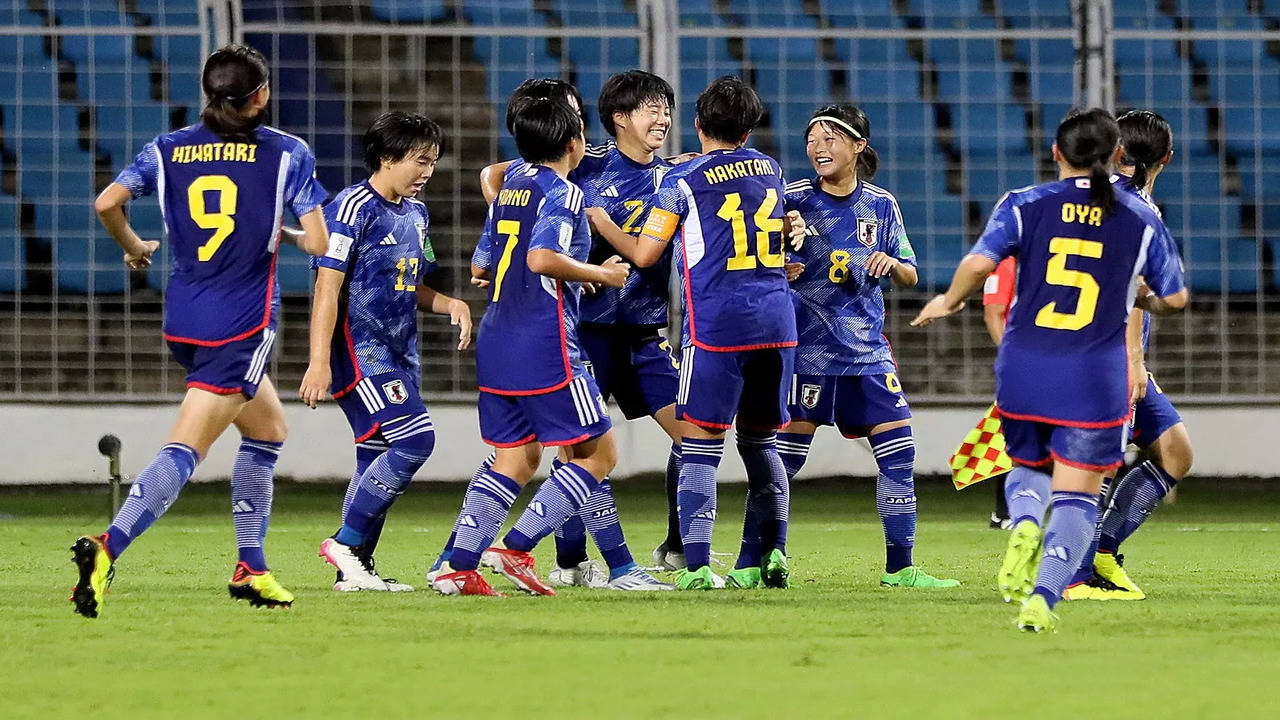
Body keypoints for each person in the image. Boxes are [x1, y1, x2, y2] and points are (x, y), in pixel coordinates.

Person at [71, 44, 329, 618]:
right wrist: (282, 233)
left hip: (184, 318)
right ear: (260, 95)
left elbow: (107, 202)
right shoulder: (287, 153)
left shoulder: (168, 149)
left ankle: (251, 567)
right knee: (188, 446)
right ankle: (107, 548)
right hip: (240, 325)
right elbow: (318, 242)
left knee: (268, 429)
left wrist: (135, 248)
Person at [911, 108, 1187, 632]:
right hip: (1095, 371)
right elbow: (1174, 297)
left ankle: (1024, 522)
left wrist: (948, 301)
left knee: (1028, 469)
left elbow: (978, 265)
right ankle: (1046, 595)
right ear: (1115, 157)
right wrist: (1136, 302)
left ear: (1056, 153)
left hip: (1026, 364)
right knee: (1079, 494)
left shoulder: (1023, 204)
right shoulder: (1137, 216)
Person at [430, 78, 669, 591]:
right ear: (573, 144)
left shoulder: (513, 187)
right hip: (546, 341)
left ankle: (457, 566)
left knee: (516, 458)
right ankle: (515, 549)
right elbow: (540, 258)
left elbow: (481, 264)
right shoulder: (564, 193)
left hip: (498, 337)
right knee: (598, 455)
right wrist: (600, 274)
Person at [590, 75, 805, 591]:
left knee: (700, 448)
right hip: (778, 323)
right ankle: (769, 555)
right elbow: (771, 226)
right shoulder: (771, 171)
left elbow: (643, 255)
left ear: (697, 123)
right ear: (749, 132)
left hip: (717, 328)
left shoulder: (679, 181)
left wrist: (602, 223)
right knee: (762, 445)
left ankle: (696, 565)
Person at [753, 103, 958, 589]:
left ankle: (901, 567)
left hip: (866, 354)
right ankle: (767, 556)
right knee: (782, 463)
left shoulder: (882, 205)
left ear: (858, 147)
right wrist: (776, 268)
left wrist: (891, 262)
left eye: (829, 139)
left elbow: (911, 270)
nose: (818, 148)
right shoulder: (791, 199)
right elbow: (752, 257)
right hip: (805, 354)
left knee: (899, 454)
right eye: (812, 139)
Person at [297, 111, 472, 592]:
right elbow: (326, 289)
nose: (427, 172)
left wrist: (449, 302)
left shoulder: (417, 214)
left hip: (400, 352)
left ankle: (353, 572)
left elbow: (411, 284)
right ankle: (345, 543)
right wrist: (317, 362)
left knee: (373, 457)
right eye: (420, 161)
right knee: (416, 441)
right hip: (360, 350)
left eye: (432, 162)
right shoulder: (351, 208)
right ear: (388, 157)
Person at [1062, 109, 1194, 601]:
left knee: (1176, 452)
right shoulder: (1131, 205)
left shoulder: (1108, 196)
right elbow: (1129, 288)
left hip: (1101, 349)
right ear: (1167, 158)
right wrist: (1132, 359)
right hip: (1107, 355)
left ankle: (1101, 551)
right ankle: (1075, 577)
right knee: (1101, 463)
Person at [982, 257, 1017, 529]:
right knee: (1014, 437)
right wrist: (1011, 359)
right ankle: (1004, 512)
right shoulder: (1007, 264)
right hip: (1022, 365)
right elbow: (993, 312)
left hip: (1047, 361)